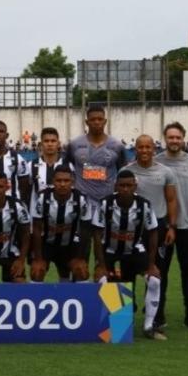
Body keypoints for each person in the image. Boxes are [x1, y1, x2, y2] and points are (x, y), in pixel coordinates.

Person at [91, 170, 165, 340]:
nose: (125, 189)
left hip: (134, 250)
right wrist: (101, 265)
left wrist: (151, 264)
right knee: (102, 280)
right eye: (122, 186)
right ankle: (112, 324)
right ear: (116, 186)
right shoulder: (105, 204)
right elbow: (97, 234)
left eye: (129, 186)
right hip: (109, 250)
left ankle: (148, 326)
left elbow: (153, 232)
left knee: (154, 280)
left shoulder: (144, 205)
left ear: (135, 186)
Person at [121, 135, 178, 332]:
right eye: (140, 147)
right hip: (131, 228)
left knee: (156, 272)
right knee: (127, 272)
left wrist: (172, 226)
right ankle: (124, 315)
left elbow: (171, 200)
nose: (144, 150)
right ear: (134, 149)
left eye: (148, 147)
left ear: (154, 148)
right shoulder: (126, 171)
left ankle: (156, 317)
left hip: (158, 228)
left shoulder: (165, 172)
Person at [155, 122, 188, 330]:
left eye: (178, 137)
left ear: (183, 138)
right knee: (160, 271)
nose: (174, 141)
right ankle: (158, 313)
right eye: (171, 137)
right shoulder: (156, 161)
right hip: (164, 226)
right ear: (165, 139)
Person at [65, 105, 127, 268]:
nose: (97, 122)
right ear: (87, 122)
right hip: (83, 204)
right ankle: (80, 288)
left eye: (100, 119)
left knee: (107, 253)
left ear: (105, 121)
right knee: (81, 252)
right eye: (93, 119)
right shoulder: (75, 145)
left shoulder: (117, 146)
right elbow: (67, 169)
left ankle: (106, 285)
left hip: (107, 205)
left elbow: (122, 172)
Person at [30, 165, 91, 282]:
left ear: (72, 182)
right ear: (53, 181)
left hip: (69, 245)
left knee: (81, 271)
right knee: (37, 271)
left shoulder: (81, 199)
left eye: (66, 180)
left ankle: (71, 295)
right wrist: (38, 258)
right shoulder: (43, 198)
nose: (62, 184)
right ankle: (36, 298)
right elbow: (37, 228)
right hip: (47, 244)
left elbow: (85, 230)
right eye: (59, 180)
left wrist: (80, 257)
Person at [30, 127, 74, 201]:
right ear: (41, 144)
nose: (50, 144)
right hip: (38, 211)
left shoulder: (69, 165)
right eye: (46, 141)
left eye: (53, 141)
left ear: (58, 144)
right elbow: (26, 191)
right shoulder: (31, 165)